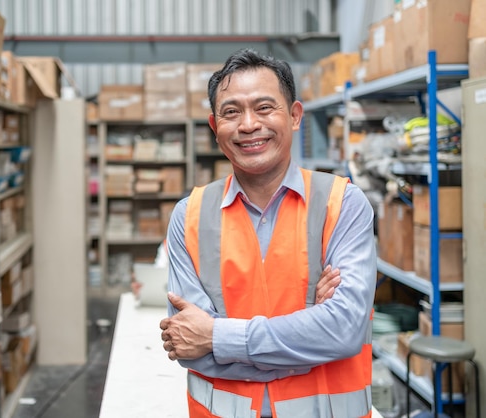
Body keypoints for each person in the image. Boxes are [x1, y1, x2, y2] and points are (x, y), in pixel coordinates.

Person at [159, 48, 376, 418]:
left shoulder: (343, 205)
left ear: (294, 116)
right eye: (231, 112)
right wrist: (307, 339)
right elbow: (186, 343)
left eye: (264, 108)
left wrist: (216, 335)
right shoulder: (189, 215)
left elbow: (343, 332)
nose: (248, 125)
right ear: (214, 128)